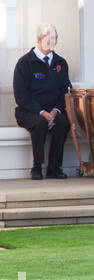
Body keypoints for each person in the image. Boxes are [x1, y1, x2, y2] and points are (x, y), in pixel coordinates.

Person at [14, 23, 72, 180]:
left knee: (62, 123)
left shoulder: (61, 63)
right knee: (39, 122)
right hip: (29, 111)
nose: (54, 41)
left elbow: (65, 92)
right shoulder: (25, 63)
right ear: (39, 39)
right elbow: (21, 95)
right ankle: (37, 166)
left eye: (55, 38)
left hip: (53, 110)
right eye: (50, 38)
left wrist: (56, 111)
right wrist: (42, 112)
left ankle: (54, 167)